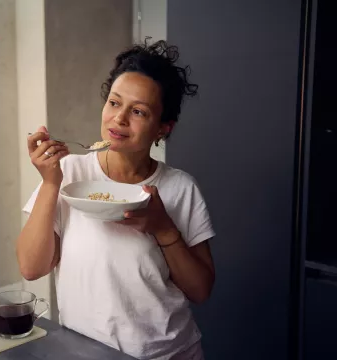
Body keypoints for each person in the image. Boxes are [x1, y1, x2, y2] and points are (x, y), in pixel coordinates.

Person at [17, 40, 216, 360]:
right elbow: (30, 267)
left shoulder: (179, 187)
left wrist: (164, 229)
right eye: (114, 103)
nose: (119, 119)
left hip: (168, 352)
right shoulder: (69, 172)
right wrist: (51, 183)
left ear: (163, 128)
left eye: (138, 111)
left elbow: (201, 290)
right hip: (83, 351)